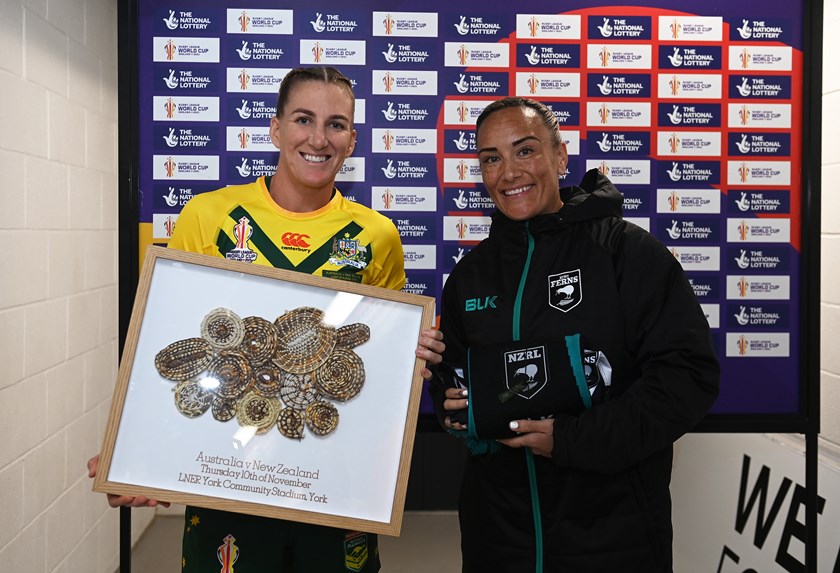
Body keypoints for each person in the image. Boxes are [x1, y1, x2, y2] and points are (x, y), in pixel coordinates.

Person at [88, 66, 444, 573]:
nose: (318, 138)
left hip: (332, 475)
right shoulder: (208, 216)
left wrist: (411, 357)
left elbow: (378, 359)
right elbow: (167, 347)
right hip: (226, 472)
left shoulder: (377, 234)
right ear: (275, 128)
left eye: (336, 124)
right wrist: (135, 452)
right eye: (303, 119)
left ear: (353, 139)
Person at [429, 97, 719, 572]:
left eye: (525, 151)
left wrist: (570, 440)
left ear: (560, 157)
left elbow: (689, 377)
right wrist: (455, 407)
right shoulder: (470, 276)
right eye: (491, 158)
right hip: (498, 537)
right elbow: (454, 385)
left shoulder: (626, 252)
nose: (508, 172)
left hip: (612, 536)